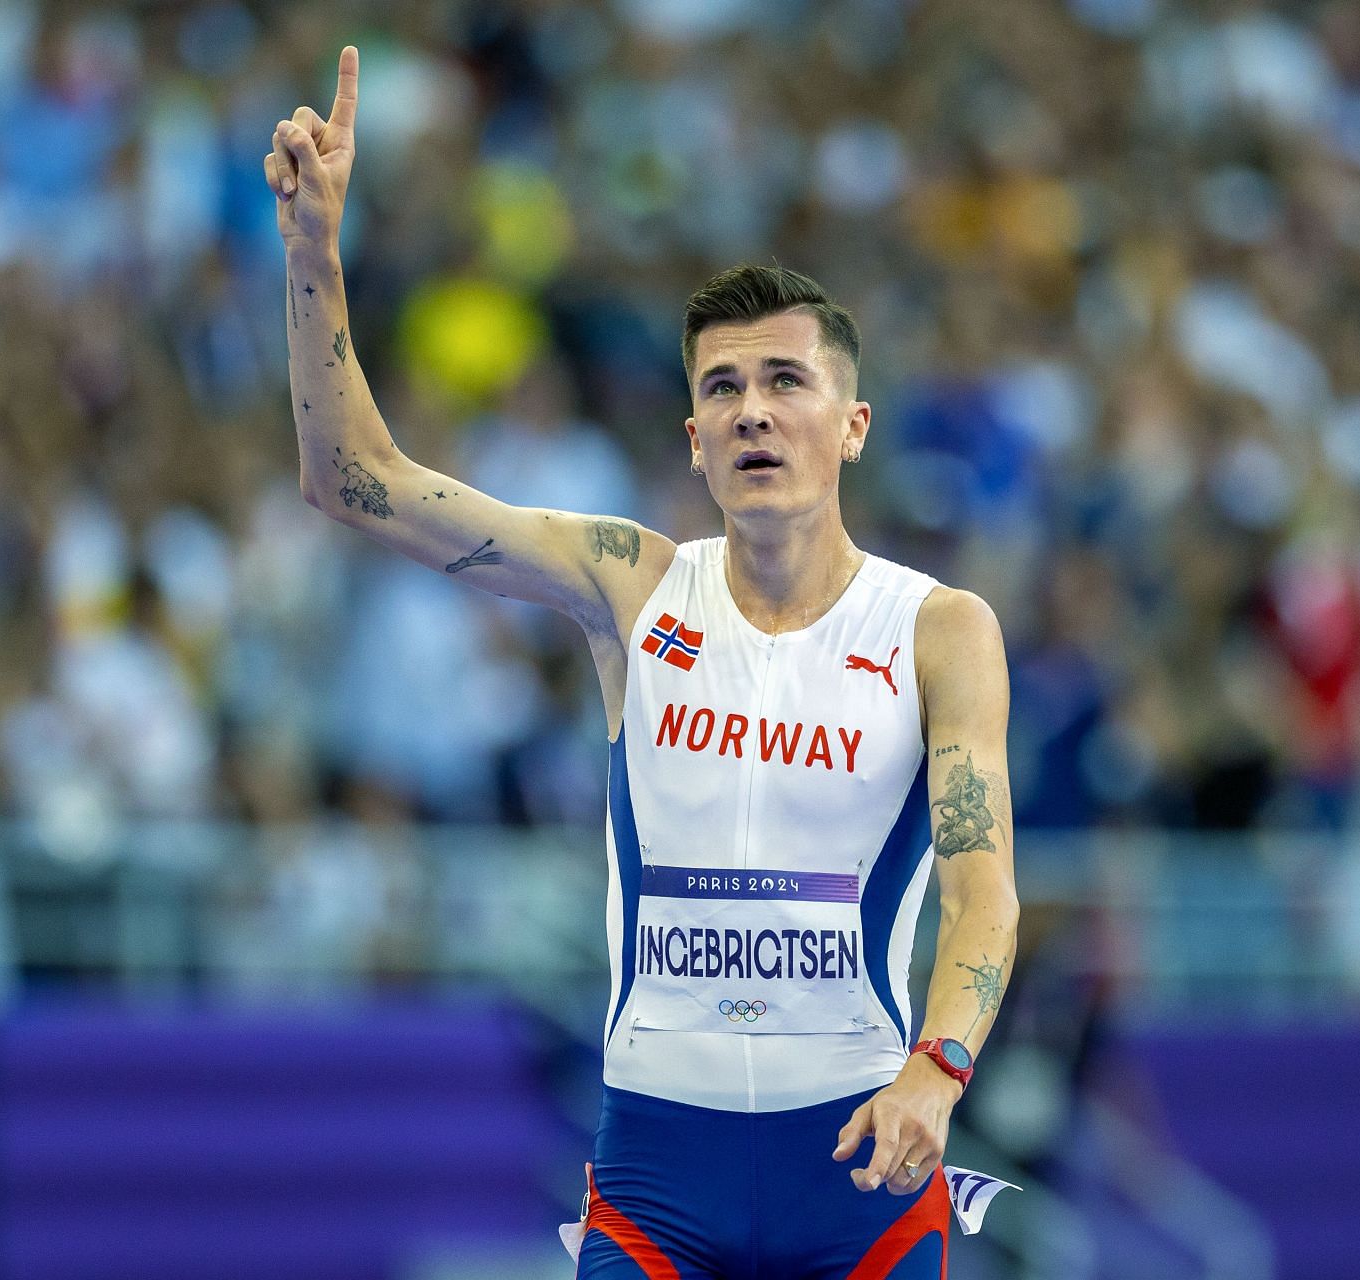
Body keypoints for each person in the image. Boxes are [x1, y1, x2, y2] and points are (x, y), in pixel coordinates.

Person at [266, 48, 1020, 1278]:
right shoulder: (633, 583)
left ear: (854, 424)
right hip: (657, 1182)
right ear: (692, 434)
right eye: (721, 387)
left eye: (786, 380)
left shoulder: (938, 626)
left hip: (862, 1167)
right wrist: (312, 254)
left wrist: (937, 1072)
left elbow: (985, 889)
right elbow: (353, 481)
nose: (753, 410)